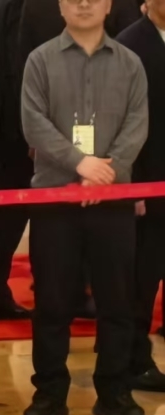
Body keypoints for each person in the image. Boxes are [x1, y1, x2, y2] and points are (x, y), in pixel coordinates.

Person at [21, 0, 149, 415]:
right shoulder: (40, 60)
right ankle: (49, 394)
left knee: (117, 301)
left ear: (108, 5)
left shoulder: (130, 63)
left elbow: (137, 123)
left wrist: (105, 173)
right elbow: (34, 123)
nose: (84, 3)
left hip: (112, 199)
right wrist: (82, 165)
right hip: (54, 201)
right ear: (60, 5)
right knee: (52, 302)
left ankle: (114, 391)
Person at [117, 0, 165, 393]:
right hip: (148, 183)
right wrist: (130, 183)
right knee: (141, 278)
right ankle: (132, 359)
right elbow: (122, 123)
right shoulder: (129, 45)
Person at [0, 0, 34, 321]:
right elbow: (19, 62)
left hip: (8, 118)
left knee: (9, 216)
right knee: (10, 216)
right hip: (16, 125)